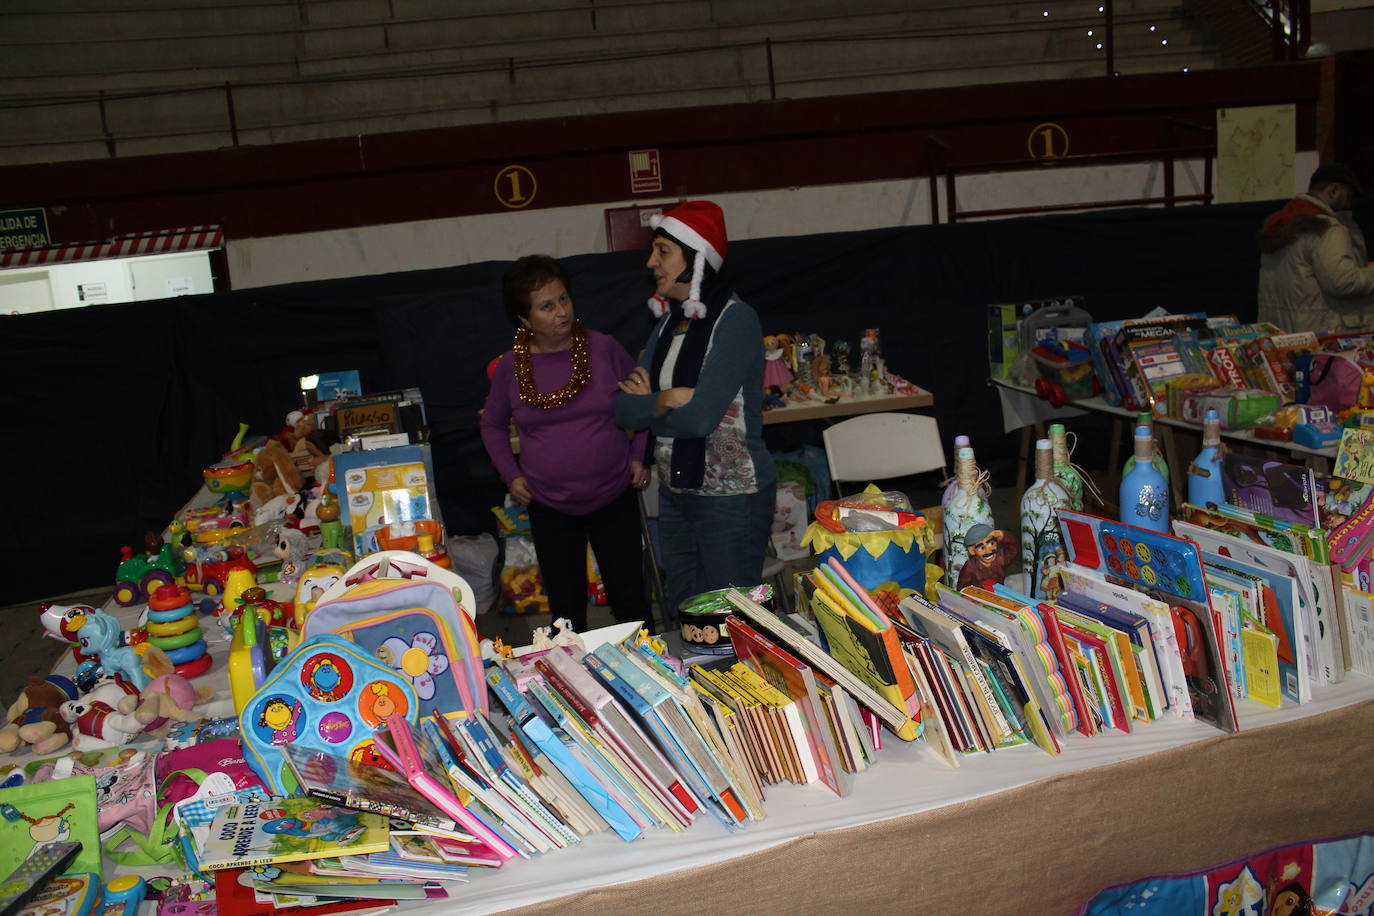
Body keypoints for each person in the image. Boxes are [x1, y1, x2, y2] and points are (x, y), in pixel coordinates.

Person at [615, 200, 777, 624]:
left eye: (663, 251)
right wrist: (666, 400)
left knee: (731, 620)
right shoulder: (667, 327)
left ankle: (744, 692)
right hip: (678, 493)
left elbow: (701, 419)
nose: (652, 262)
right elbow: (623, 410)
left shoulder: (735, 321)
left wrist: (651, 407)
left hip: (730, 499)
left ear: (697, 258)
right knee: (687, 617)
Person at [480, 254, 651, 631]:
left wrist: (640, 455)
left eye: (563, 299)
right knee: (565, 614)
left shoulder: (604, 348)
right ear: (524, 320)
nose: (561, 311)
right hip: (550, 505)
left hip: (613, 495)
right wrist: (510, 474)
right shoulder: (512, 366)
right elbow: (491, 425)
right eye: (546, 306)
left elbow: (641, 402)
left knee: (631, 601)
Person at [1257, 162, 1374, 333]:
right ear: (1333, 191)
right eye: (1348, 196)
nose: (1350, 203)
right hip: (1318, 335)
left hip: (1281, 332)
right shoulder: (1326, 228)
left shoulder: (1280, 224)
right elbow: (1343, 283)